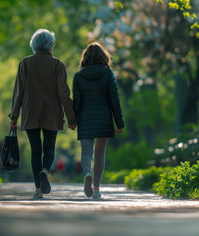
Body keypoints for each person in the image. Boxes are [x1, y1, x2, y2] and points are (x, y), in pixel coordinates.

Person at [9, 29, 77, 199]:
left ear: (34, 45)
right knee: (49, 148)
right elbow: (63, 94)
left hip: (30, 111)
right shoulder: (58, 65)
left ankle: (38, 190)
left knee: (35, 150)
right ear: (50, 45)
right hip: (51, 112)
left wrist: (14, 116)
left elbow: (19, 92)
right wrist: (71, 118)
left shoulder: (25, 63)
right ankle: (45, 170)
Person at [73, 42, 124, 199]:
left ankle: (87, 173)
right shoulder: (108, 74)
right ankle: (96, 188)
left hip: (85, 118)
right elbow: (114, 98)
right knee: (100, 152)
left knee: (86, 151)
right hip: (103, 118)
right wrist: (119, 122)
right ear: (104, 56)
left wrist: (72, 120)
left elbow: (76, 101)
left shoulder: (78, 76)